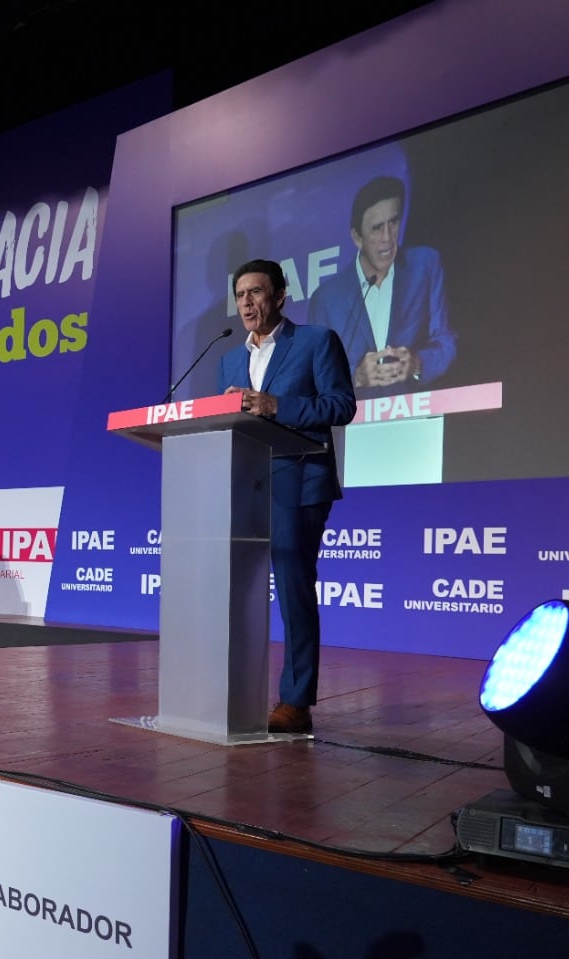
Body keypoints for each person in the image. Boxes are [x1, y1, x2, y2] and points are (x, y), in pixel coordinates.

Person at [219, 260, 356, 733]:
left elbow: (341, 406)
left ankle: (295, 701)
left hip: (299, 481)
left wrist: (278, 406)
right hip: (248, 484)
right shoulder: (229, 360)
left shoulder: (317, 341)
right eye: (241, 295)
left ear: (280, 296)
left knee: (294, 587)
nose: (247, 303)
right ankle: (233, 688)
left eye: (257, 292)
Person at [307, 175, 456, 395]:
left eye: (393, 222)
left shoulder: (425, 265)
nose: (387, 238)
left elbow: (446, 341)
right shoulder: (326, 299)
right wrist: (355, 376)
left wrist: (417, 364)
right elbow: (314, 375)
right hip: (353, 424)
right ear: (357, 238)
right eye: (377, 228)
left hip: (417, 418)